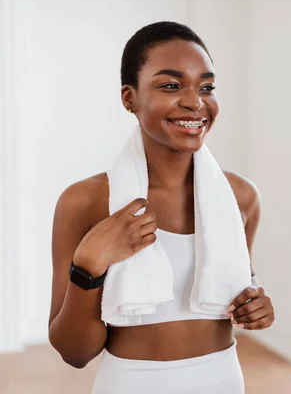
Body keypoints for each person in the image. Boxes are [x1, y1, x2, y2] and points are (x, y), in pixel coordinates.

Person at [48, 21, 275, 393]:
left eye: (206, 87)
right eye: (171, 85)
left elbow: (240, 289)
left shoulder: (241, 198)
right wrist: (89, 263)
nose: (195, 101)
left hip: (223, 379)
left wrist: (256, 306)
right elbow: (74, 352)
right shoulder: (85, 202)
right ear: (129, 98)